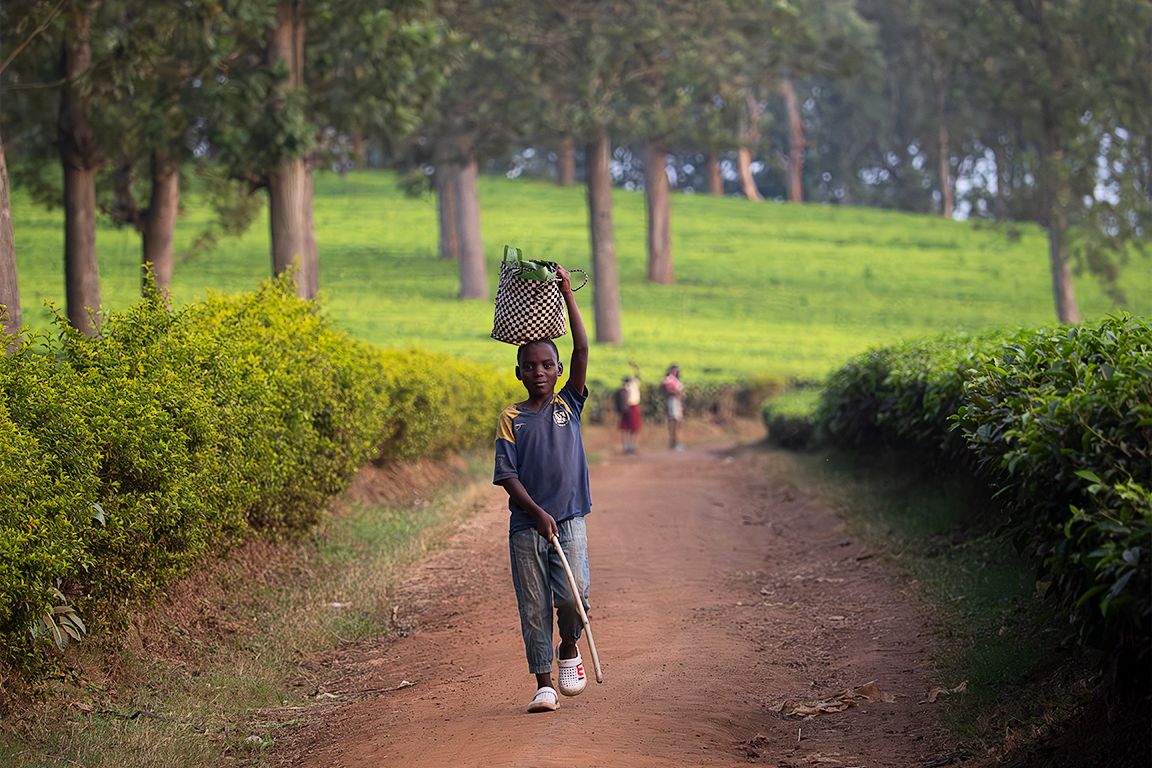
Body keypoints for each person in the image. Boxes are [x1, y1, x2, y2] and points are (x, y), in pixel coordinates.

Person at [493, 267, 592, 714]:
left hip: (568, 517)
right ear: (518, 372)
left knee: (574, 594)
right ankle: (544, 684)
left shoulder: (568, 402)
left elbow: (583, 345)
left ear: (559, 370)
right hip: (527, 526)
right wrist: (534, 511)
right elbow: (508, 475)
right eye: (529, 366)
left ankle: (569, 646)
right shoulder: (511, 416)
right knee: (533, 603)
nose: (539, 371)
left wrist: (568, 292)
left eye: (547, 365)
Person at [616, 372, 642, 453]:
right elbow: (638, 375)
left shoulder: (626, 387)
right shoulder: (633, 385)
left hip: (628, 408)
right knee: (632, 428)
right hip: (631, 407)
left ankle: (628, 446)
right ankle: (630, 445)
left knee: (627, 428)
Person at [661, 364, 684, 450]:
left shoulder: (676, 380)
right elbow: (667, 389)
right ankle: (673, 441)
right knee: (673, 421)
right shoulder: (669, 379)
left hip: (677, 402)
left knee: (678, 422)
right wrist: (676, 392)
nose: (677, 372)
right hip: (673, 401)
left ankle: (675, 441)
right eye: (676, 370)